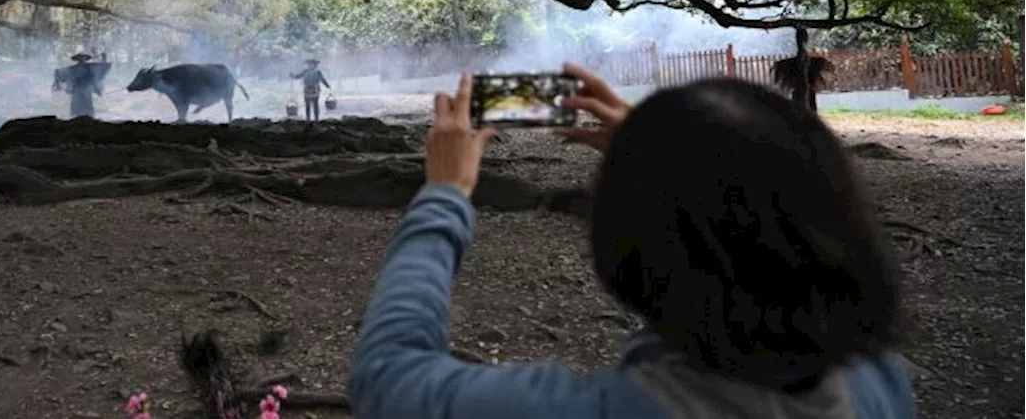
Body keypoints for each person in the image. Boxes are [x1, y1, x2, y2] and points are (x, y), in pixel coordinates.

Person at [348, 64, 913, 419]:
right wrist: (669, 160)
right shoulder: (876, 376)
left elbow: (387, 375)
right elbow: (740, 254)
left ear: (627, 254)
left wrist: (444, 194)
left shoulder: (616, 408)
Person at [53, 51, 106, 118]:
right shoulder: (72, 69)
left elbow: (95, 77)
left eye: (83, 58)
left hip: (86, 93)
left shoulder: (90, 68)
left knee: (88, 114)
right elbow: (60, 74)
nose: (82, 59)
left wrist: (97, 90)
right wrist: (57, 79)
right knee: (76, 114)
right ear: (77, 60)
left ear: (85, 59)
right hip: (76, 93)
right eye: (80, 58)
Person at [290, 57, 331, 122]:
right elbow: (299, 76)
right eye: (309, 64)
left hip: (315, 90)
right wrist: (293, 76)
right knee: (307, 105)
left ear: (315, 65)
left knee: (315, 105)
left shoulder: (318, 72)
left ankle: (316, 119)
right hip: (307, 90)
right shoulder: (305, 71)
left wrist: (327, 86)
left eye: (312, 64)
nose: (310, 65)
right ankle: (308, 119)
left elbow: (322, 79)